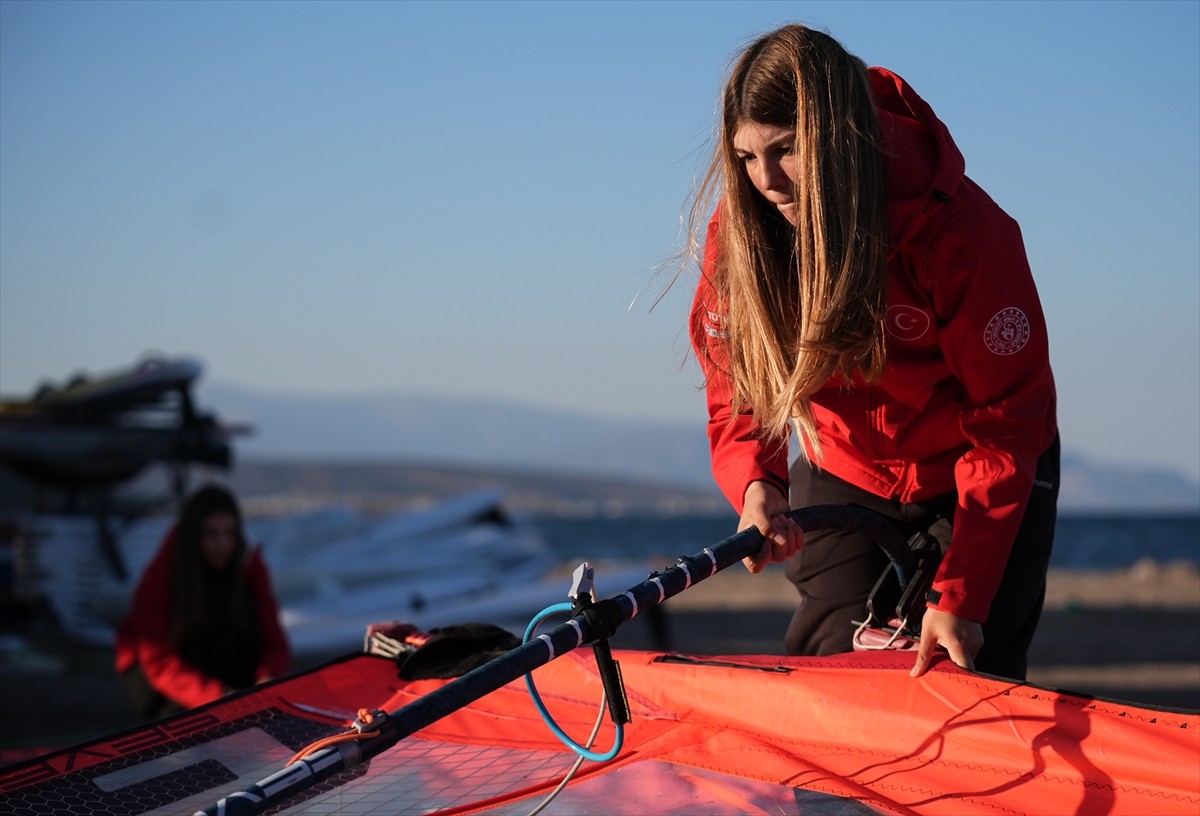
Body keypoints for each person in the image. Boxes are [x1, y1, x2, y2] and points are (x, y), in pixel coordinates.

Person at [685, 24, 1059, 681]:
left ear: (839, 136)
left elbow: (1008, 421)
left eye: (786, 150)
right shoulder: (743, 232)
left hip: (977, 474)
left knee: (967, 679)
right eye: (745, 156)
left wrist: (961, 591)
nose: (766, 180)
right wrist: (756, 482)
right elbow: (738, 389)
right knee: (832, 680)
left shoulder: (962, 233)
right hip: (844, 469)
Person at [115, 484, 291, 719]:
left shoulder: (248, 562)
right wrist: (217, 697)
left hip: (225, 674)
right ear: (193, 535)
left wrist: (267, 680)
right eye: (211, 533)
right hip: (163, 683)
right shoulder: (163, 573)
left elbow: (275, 643)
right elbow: (157, 660)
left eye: (230, 533)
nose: (222, 544)